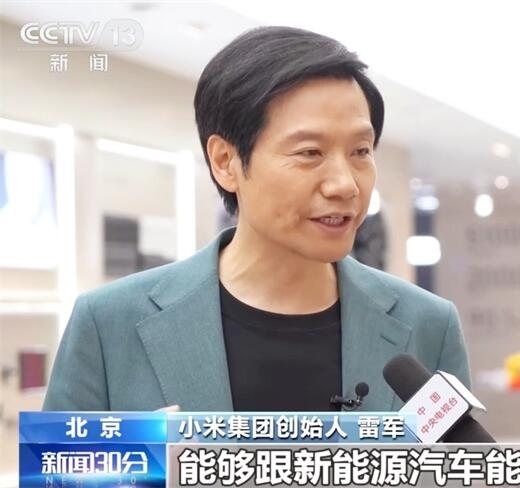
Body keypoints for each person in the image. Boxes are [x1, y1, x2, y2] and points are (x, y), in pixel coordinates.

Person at [43, 26, 471, 412]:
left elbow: (461, 464)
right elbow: (61, 466)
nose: (345, 185)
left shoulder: (428, 325)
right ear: (225, 162)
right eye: (310, 153)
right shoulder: (108, 324)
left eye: (361, 151)